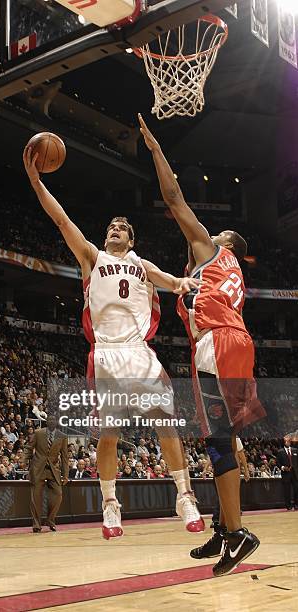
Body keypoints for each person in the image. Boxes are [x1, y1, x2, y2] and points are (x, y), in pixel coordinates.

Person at [24, 147, 205, 541]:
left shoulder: (141, 264)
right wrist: (37, 181)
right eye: (112, 226)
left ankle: (185, 496)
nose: (115, 229)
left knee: (166, 423)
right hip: (106, 352)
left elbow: (172, 282)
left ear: (132, 237)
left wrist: (183, 283)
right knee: (109, 433)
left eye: (121, 226)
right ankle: (110, 503)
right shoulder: (92, 256)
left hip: (139, 351)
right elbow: (60, 218)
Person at [139, 113, 264, 576]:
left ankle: (236, 533)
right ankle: (223, 527)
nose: (206, 235)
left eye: (215, 234)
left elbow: (173, 199)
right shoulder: (229, 277)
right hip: (238, 342)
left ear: (224, 242)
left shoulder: (213, 252)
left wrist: (155, 150)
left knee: (216, 446)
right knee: (224, 442)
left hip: (216, 344)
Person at [25, 414, 68, 533]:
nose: (51, 421)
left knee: (58, 495)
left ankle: (50, 520)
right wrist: (24, 461)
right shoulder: (38, 433)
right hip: (38, 468)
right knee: (36, 498)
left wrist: (65, 475)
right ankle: (36, 524)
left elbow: (64, 457)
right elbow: (29, 448)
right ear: (46, 421)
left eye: (53, 419)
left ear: (56, 422)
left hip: (53, 469)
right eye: (49, 419)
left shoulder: (62, 436)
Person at [276, 435, 298, 510]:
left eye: (289, 441)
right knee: (287, 490)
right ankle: (288, 505)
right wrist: (283, 468)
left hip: (295, 473)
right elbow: (277, 463)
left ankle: (296, 505)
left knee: (296, 489)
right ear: (284, 442)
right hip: (286, 473)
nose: (288, 442)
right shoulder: (280, 452)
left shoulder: (295, 450)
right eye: (286, 441)